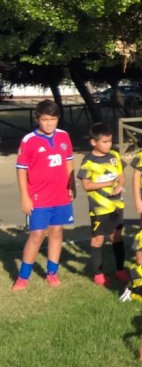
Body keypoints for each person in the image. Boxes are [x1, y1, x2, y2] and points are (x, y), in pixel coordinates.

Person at [12, 100, 76, 291]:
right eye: (45, 119)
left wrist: (72, 185)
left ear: (58, 119)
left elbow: (69, 162)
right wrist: (25, 196)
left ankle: (52, 273)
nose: (49, 123)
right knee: (37, 235)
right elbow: (21, 169)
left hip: (61, 196)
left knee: (56, 232)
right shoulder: (29, 140)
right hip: (38, 197)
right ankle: (23, 277)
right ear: (37, 119)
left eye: (53, 119)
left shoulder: (64, 137)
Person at [78, 122, 128, 286]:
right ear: (94, 142)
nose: (108, 145)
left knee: (117, 236)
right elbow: (86, 185)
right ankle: (98, 272)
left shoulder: (114, 156)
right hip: (99, 208)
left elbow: (121, 176)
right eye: (104, 142)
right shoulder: (88, 161)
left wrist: (120, 184)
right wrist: (107, 184)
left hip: (116, 206)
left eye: (110, 141)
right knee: (98, 239)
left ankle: (120, 269)